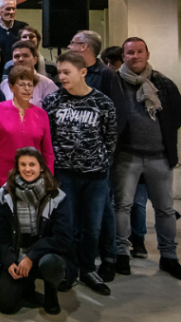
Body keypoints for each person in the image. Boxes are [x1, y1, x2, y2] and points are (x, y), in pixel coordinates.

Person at [42, 51, 117, 295]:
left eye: (66, 72)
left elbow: (110, 139)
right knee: (69, 226)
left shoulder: (103, 103)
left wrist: (101, 163)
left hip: (96, 176)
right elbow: (48, 137)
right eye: (59, 72)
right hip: (65, 175)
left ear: (83, 72)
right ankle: (70, 270)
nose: (61, 77)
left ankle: (88, 270)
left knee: (93, 227)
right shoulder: (53, 101)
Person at [113, 37, 181, 279]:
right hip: (127, 156)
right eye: (130, 52)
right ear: (124, 56)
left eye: (139, 51)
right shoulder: (115, 83)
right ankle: (121, 254)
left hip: (159, 157)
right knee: (122, 206)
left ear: (147, 54)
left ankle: (169, 257)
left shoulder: (163, 84)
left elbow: (176, 116)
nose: (135, 56)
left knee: (165, 209)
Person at [0, 148, 73, 316]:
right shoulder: (4, 194)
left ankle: (51, 291)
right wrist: (8, 262)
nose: (27, 169)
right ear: (17, 166)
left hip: (44, 255)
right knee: (5, 306)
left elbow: (62, 238)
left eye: (32, 164)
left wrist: (31, 256)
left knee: (51, 264)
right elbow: (0, 236)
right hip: (17, 255)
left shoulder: (57, 196)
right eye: (23, 164)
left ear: (41, 167)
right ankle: (25, 283)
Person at [0, 67, 54, 190]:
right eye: (22, 85)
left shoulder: (42, 115)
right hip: (2, 179)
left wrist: (48, 176)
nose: (27, 89)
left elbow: (48, 151)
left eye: (30, 85)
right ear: (11, 87)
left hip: (33, 180)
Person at [0, 41, 58, 108]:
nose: (21, 59)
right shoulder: (4, 84)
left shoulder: (47, 84)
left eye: (25, 56)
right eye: (17, 56)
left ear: (35, 60)